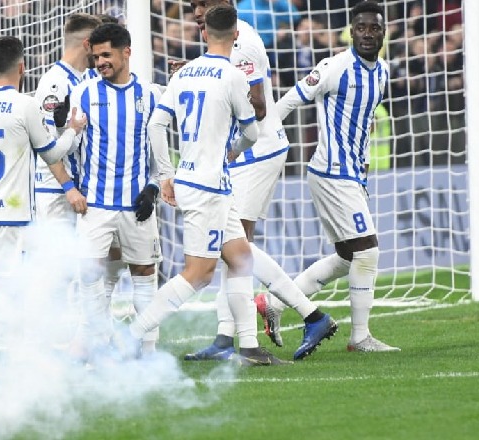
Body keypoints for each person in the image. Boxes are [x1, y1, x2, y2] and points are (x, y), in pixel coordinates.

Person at [122, 4, 287, 367]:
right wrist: (233, 151)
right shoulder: (232, 77)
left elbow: (155, 125)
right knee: (198, 274)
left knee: (241, 258)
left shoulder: (184, 73)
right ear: (236, 35)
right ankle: (130, 338)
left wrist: (166, 173)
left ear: (203, 33)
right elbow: (252, 131)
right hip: (209, 185)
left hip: (199, 180)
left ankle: (248, 348)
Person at [183, 0, 337, 362]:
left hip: (257, 151)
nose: (195, 12)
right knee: (231, 248)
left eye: (202, 4)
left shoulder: (245, 41)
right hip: (240, 154)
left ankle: (311, 315)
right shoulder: (217, 40)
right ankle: (226, 340)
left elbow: (258, 107)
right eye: (192, 5)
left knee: (235, 246)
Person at [276, 1, 399, 352]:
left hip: (352, 175)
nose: (367, 34)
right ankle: (359, 337)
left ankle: (274, 304)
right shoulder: (335, 67)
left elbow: (362, 121)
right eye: (360, 27)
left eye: (374, 27)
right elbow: (288, 101)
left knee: (348, 257)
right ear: (351, 31)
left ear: (383, 32)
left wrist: (363, 163)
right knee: (368, 252)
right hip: (331, 172)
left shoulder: (383, 72)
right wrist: (265, 137)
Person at [0, 35, 86, 314]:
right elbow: (51, 154)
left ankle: (6, 352)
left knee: (1, 287)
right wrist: (73, 129)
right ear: (22, 68)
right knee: (7, 292)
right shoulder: (24, 105)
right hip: (13, 213)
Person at [68, 23, 163, 359]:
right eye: (95, 57)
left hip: (137, 205)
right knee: (89, 274)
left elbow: (160, 154)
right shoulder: (85, 93)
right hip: (95, 204)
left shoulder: (152, 96)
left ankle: (148, 353)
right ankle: (100, 343)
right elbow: (70, 147)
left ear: (127, 52)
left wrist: (152, 188)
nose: (100, 62)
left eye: (106, 55)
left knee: (144, 274)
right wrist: (71, 188)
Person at [33, 13, 100, 224]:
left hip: (78, 188)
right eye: (97, 47)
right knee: (57, 257)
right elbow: (46, 147)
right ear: (87, 44)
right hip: (57, 192)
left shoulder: (87, 77)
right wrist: (68, 188)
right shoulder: (54, 84)